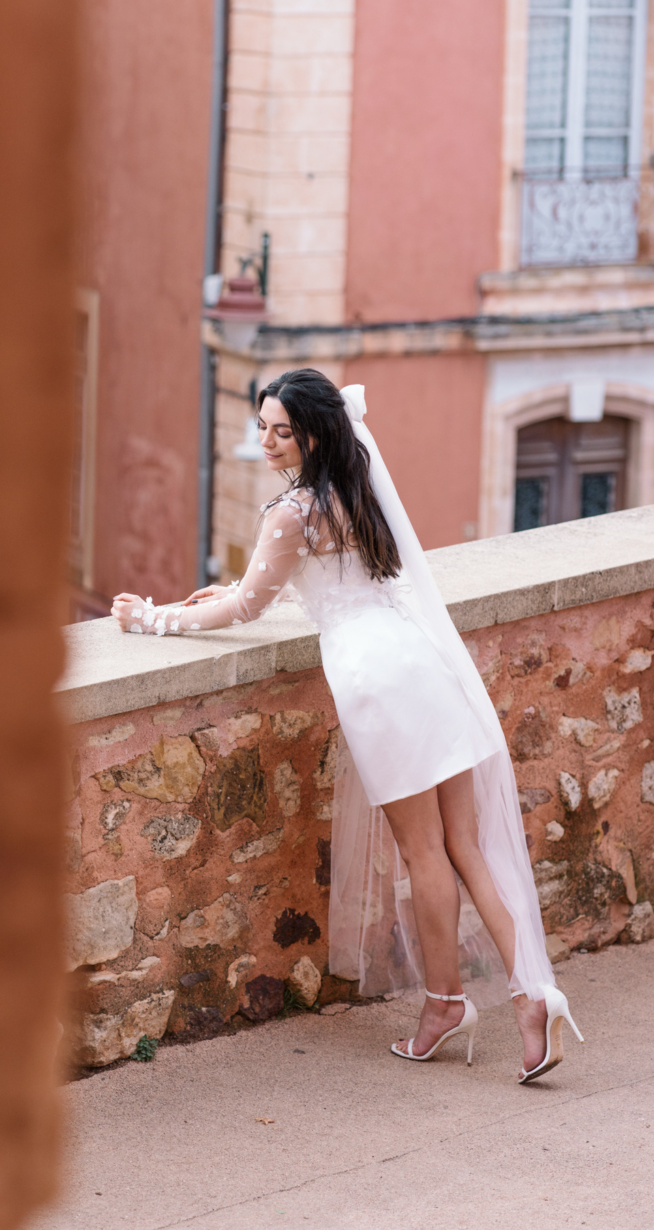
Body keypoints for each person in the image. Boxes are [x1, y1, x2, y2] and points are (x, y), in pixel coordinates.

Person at [112, 369, 583, 1083]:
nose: (268, 442)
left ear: (312, 433)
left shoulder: (292, 513)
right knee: (468, 847)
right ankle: (532, 992)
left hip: (376, 683)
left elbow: (247, 609)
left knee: (425, 853)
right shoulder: (356, 488)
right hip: (425, 665)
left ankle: (445, 1005)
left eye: (282, 430)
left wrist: (153, 618)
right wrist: (233, 591)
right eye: (263, 427)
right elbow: (295, 588)